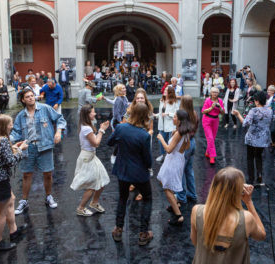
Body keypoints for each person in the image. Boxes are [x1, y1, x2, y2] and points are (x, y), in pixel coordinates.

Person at [184, 167, 266, 264]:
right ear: (237, 192)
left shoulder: (197, 211)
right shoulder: (246, 219)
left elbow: (195, 242)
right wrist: (249, 202)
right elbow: (261, 235)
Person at [11, 89, 67, 214]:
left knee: (47, 173)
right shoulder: (21, 116)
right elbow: (16, 132)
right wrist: (7, 141)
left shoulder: (45, 108)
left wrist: (58, 131)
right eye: (27, 96)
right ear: (23, 100)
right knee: (26, 175)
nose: (31, 98)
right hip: (28, 147)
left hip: (45, 146)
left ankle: (48, 196)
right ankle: (24, 201)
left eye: (32, 95)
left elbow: (60, 119)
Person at [107, 103, 153, 246]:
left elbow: (110, 142)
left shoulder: (121, 128)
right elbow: (148, 160)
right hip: (139, 173)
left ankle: (118, 229)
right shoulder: (144, 135)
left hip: (123, 170)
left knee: (123, 197)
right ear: (145, 117)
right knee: (147, 198)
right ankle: (143, 233)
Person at [0, 115, 29, 251]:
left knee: (11, 200)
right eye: (10, 124)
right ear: (4, 126)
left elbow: (1, 156)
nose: (12, 126)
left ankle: (13, 231)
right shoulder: (2, 140)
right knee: (1, 212)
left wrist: (14, 147)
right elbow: (10, 161)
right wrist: (21, 150)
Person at [71, 105, 110, 216]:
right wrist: (102, 130)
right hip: (88, 158)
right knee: (92, 185)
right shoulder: (87, 128)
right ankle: (81, 208)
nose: (94, 113)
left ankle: (94, 202)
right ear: (87, 115)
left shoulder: (87, 125)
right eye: (92, 112)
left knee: (102, 180)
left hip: (91, 156)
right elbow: (96, 143)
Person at [157, 110, 192, 226]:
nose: (173, 118)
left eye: (175, 116)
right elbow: (187, 146)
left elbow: (168, 149)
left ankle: (178, 216)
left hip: (172, 161)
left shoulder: (179, 133)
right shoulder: (184, 132)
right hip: (178, 159)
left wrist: (161, 138)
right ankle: (175, 203)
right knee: (165, 182)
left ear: (180, 120)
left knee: (166, 187)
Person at [233, 91, 272, 184]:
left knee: (250, 157)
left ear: (257, 101)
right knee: (259, 156)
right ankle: (259, 175)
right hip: (263, 137)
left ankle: (251, 178)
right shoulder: (270, 110)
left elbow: (245, 123)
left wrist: (238, 114)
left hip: (252, 137)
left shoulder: (253, 111)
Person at [176, 95, 198, 205]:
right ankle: (192, 194)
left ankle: (181, 196)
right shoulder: (194, 113)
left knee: (181, 171)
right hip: (192, 142)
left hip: (185, 143)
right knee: (189, 170)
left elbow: (180, 130)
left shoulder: (183, 115)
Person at [106, 84, 128, 164]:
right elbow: (116, 113)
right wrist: (120, 122)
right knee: (121, 140)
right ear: (119, 91)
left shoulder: (124, 97)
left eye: (125, 87)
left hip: (124, 120)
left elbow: (126, 105)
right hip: (118, 121)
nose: (125, 89)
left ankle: (120, 155)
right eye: (123, 88)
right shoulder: (118, 99)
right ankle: (114, 155)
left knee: (124, 139)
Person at [202, 87, 225, 164]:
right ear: (211, 93)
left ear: (218, 93)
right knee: (210, 138)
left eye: (216, 92)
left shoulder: (220, 101)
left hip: (215, 120)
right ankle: (212, 156)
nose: (215, 94)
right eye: (213, 92)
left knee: (212, 138)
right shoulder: (207, 100)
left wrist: (220, 108)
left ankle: (207, 152)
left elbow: (223, 113)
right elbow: (203, 111)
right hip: (207, 120)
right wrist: (211, 107)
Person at [156, 85, 179, 162]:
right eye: (164, 90)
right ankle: (163, 155)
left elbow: (177, 113)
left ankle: (170, 158)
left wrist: (168, 114)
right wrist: (155, 115)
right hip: (162, 125)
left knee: (170, 142)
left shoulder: (174, 102)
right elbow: (160, 113)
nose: (164, 91)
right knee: (160, 141)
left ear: (170, 93)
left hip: (170, 125)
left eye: (166, 90)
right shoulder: (161, 100)